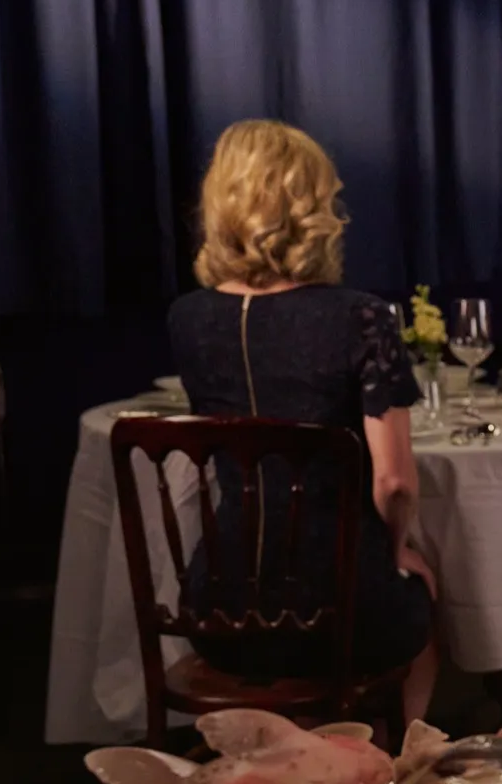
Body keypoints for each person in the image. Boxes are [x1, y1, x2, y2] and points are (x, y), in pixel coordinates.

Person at [167, 119, 440, 723]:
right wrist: (400, 553)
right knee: (425, 592)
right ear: (313, 209)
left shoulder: (186, 319)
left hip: (216, 608)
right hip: (338, 612)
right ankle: (405, 768)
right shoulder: (359, 317)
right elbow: (394, 484)